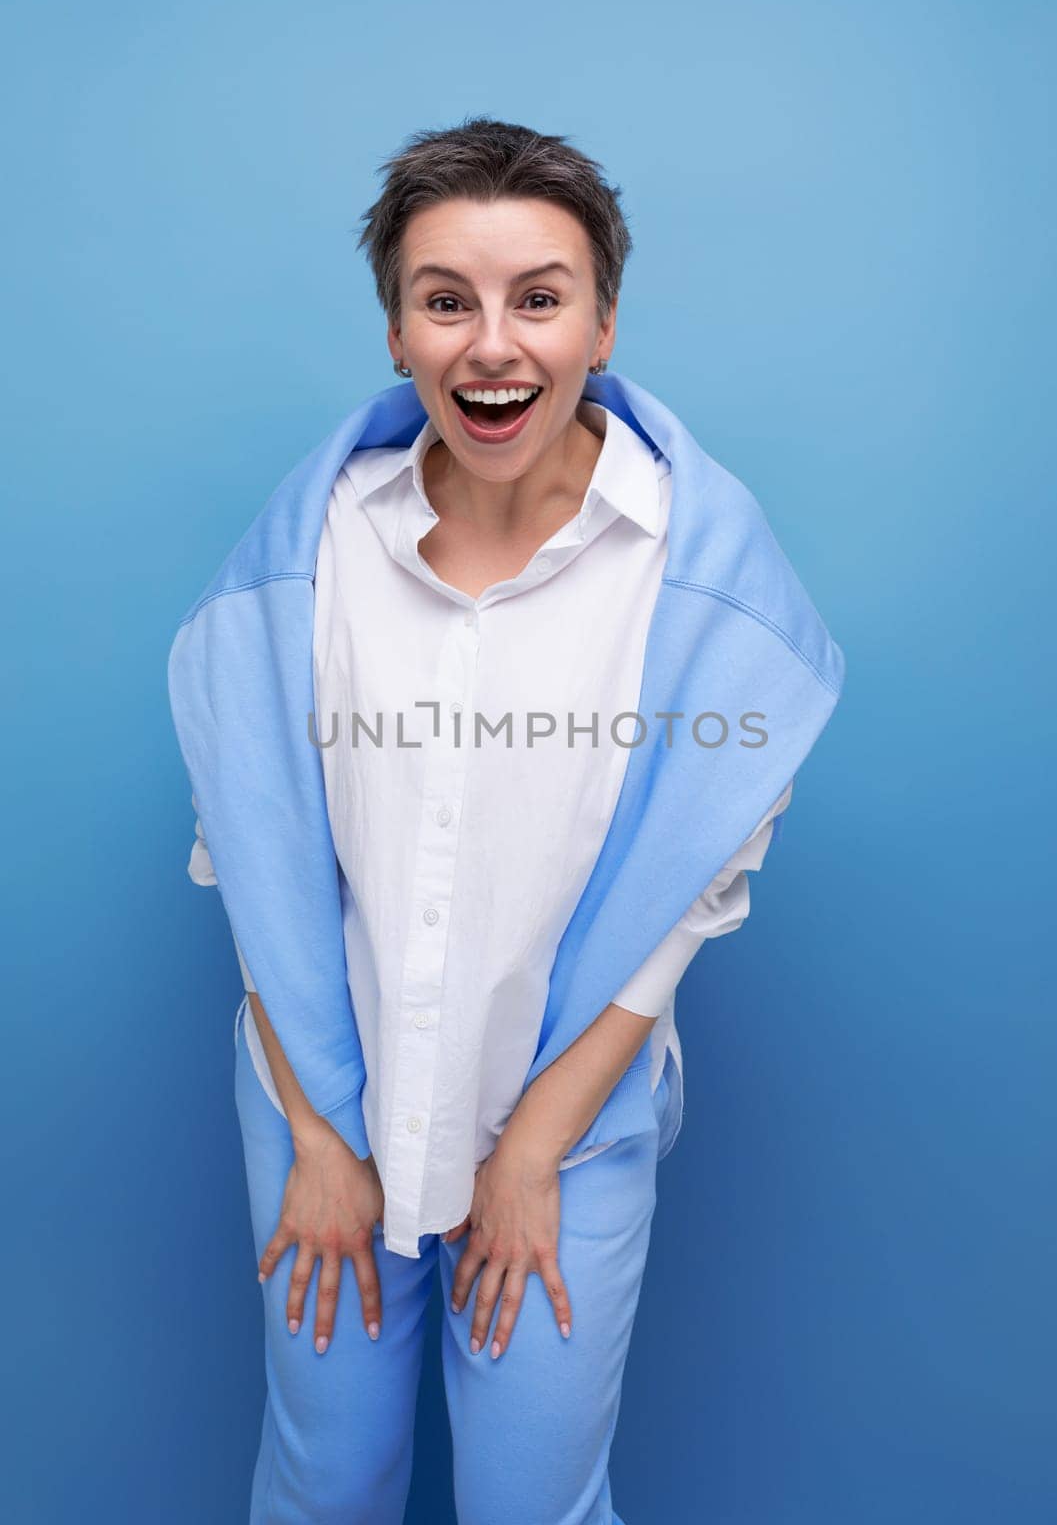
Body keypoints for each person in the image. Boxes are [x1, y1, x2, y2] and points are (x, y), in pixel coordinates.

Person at [169, 115, 844, 1524]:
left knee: (538, 1499)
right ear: (398, 331)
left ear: (602, 324)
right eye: (445, 300)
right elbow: (255, 850)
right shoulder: (311, 555)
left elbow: (701, 876)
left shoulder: (693, 569)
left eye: (539, 297)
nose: (493, 343)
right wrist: (318, 1138)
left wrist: (533, 1148)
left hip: (569, 1117)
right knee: (323, 1476)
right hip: (320, 1103)